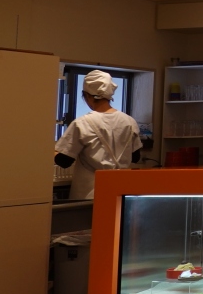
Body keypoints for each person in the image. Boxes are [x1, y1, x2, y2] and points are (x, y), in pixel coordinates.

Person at [54, 70, 142, 199]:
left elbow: (64, 161)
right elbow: (135, 157)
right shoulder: (130, 122)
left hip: (90, 194)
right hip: (120, 192)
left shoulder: (82, 123)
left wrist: (53, 152)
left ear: (87, 96)